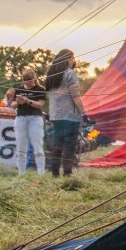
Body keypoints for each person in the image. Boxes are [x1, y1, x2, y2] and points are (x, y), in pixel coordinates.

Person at [44, 49, 90, 177]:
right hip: (70, 115)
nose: (73, 61)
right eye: (72, 58)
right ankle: (67, 173)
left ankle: (54, 173)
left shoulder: (52, 75)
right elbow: (75, 96)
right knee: (69, 145)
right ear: (67, 59)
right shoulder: (70, 74)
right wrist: (83, 113)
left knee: (57, 144)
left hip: (56, 115)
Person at [8, 68, 47, 175]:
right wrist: (18, 102)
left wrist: (27, 101)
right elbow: (12, 105)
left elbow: (40, 105)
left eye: (28, 79)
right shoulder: (19, 89)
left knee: (38, 146)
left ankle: (41, 173)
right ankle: (21, 173)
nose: (26, 81)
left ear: (34, 78)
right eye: (24, 79)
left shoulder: (40, 89)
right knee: (21, 146)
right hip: (21, 117)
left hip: (35, 118)